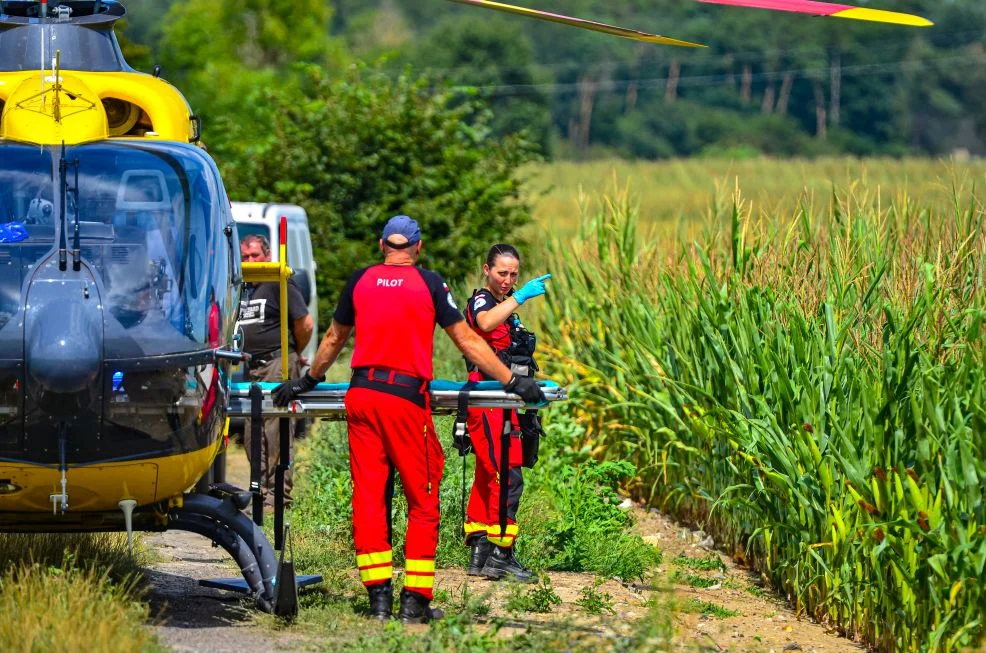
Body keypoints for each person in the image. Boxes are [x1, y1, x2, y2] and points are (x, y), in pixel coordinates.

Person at [271, 216, 545, 624]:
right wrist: (512, 381)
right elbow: (468, 339)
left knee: (368, 496)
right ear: (417, 247)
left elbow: (332, 338)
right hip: (403, 400)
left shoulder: (359, 281)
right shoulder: (430, 284)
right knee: (423, 497)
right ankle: (415, 600)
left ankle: (378, 600)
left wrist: (305, 380)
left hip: (361, 397)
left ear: (383, 245)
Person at [461, 244, 549, 582]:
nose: (508, 280)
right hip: (487, 400)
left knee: (489, 474)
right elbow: (483, 323)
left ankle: (480, 552)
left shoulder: (507, 309)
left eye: (514, 275)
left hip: (508, 402)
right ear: (487, 270)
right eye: (502, 273)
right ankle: (502, 554)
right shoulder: (483, 301)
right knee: (507, 476)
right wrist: (522, 296)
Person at [238, 233, 314, 507]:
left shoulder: (278, 284)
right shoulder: (241, 288)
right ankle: (258, 491)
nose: (250, 261)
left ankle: (279, 497)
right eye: (245, 257)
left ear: (267, 257)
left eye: (255, 256)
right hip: (252, 367)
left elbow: (305, 324)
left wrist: (292, 352)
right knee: (251, 433)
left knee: (276, 431)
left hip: (277, 364)